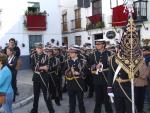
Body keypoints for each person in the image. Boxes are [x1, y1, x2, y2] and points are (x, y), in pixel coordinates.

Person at [89, 40, 113, 113]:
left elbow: (113, 66)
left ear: (103, 45)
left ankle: (109, 111)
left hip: (107, 78)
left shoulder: (110, 53)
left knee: (106, 98)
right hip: (97, 79)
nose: (97, 45)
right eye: (96, 44)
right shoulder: (93, 54)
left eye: (99, 44)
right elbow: (90, 65)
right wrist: (95, 66)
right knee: (98, 98)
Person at [30, 43, 54, 113]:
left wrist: (40, 67)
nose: (39, 49)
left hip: (44, 78)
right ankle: (34, 110)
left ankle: (51, 110)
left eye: (40, 48)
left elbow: (47, 67)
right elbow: (32, 67)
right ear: (36, 48)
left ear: (42, 48)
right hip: (36, 78)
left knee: (46, 95)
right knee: (36, 95)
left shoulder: (46, 56)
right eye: (38, 48)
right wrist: (41, 67)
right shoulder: (33, 56)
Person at [64, 46, 87, 113]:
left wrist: (79, 73)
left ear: (76, 53)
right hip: (70, 84)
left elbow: (86, 72)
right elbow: (63, 71)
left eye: (72, 52)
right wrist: (69, 72)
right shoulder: (67, 61)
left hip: (79, 83)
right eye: (69, 52)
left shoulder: (83, 61)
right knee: (71, 101)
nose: (70, 54)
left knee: (80, 101)